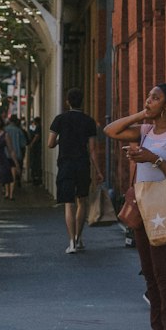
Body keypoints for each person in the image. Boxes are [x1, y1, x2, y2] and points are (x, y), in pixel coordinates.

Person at [105, 82, 166, 330]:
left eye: (155, 98)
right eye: (148, 96)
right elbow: (111, 131)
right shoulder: (146, 130)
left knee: (164, 273)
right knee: (150, 273)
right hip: (143, 207)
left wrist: (152, 158)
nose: (148, 100)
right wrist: (142, 116)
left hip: (164, 209)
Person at [48, 89, 102, 254]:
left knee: (68, 203)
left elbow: (50, 144)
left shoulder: (59, 119)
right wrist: (98, 171)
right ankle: (78, 239)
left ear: (67, 102)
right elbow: (92, 149)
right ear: (82, 102)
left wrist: (60, 140)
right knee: (82, 201)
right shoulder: (89, 121)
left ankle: (71, 242)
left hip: (65, 164)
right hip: (82, 164)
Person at [3, 112, 27, 201]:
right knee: (13, 174)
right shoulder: (19, 130)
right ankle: (11, 194)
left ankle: (6, 192)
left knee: (6, 174)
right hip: (16, 155)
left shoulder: (4, 130)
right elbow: (23, 144)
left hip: (5, 154)